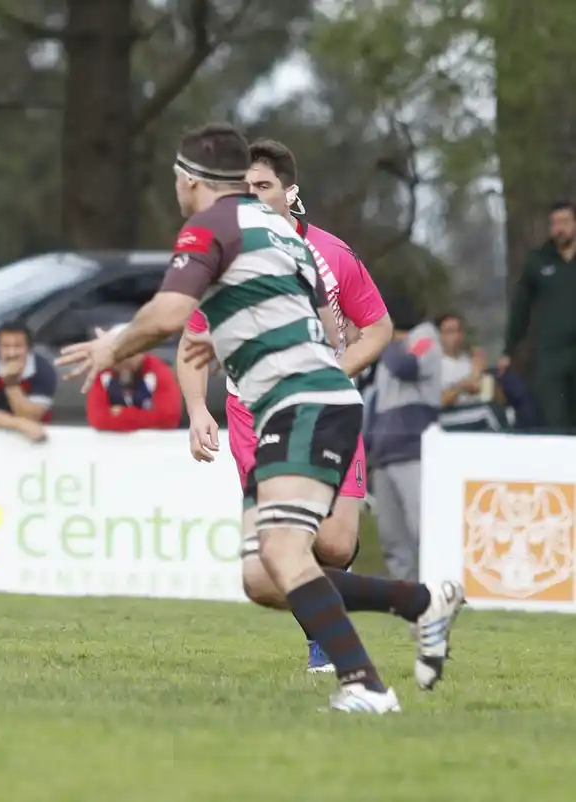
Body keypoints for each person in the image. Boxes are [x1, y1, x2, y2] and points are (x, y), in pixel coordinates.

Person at [57, 122, 465, 713]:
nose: (176, 188)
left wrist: (112, 347)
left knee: (288, 552)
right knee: (261, 574)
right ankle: (422, 602)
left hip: (303, 402)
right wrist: (233, 340)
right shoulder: (278, 232)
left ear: (191, 180)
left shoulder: (209, 226)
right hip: (296, 402)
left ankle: (365, 684)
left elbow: (171, 312)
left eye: (177, 178)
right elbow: (319, 321)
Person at [177, 137, 393, 674]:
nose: (252, 195)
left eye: (263, 186)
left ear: (290, 192)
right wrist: (198, 411)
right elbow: (190, 342)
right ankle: (325, 640)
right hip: (256, 416)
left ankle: (395, 601)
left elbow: (378, 328)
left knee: (339, 543)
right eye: (244, 186)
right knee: (281, 548)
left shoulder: (334, 255)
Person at [365, 297, 441, 582]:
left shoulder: (424, 336)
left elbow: (409, 367)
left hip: (413, 449)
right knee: (392, 534)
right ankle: (406, 597)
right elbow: (376, 403)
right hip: (385, 455)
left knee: (421, 527)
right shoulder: (388, 354)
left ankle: (436, 587)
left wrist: (384, 339)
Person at [503, 201, 576, 431]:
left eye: (564, 222)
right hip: (551, 356)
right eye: (554, 223)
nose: (559, 229)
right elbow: (521, 308)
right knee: (556, 421)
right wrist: (508, 349)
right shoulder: (538, 260)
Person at [0, 321, 57, 442]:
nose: (12, 353)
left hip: (35, 437)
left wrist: (11, 384)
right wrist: (20, 424)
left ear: (28, 348)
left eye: (18, 346)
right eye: (6, 346)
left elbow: (32, 417)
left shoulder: (43, 370)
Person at [85, 323, 181, 431]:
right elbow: (97, 419)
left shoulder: (160, 371)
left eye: (131, 354)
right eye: (119, 355)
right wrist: (146, 416)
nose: (125, 360)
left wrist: (121, 414)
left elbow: (168, 419)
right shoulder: (102, 373)